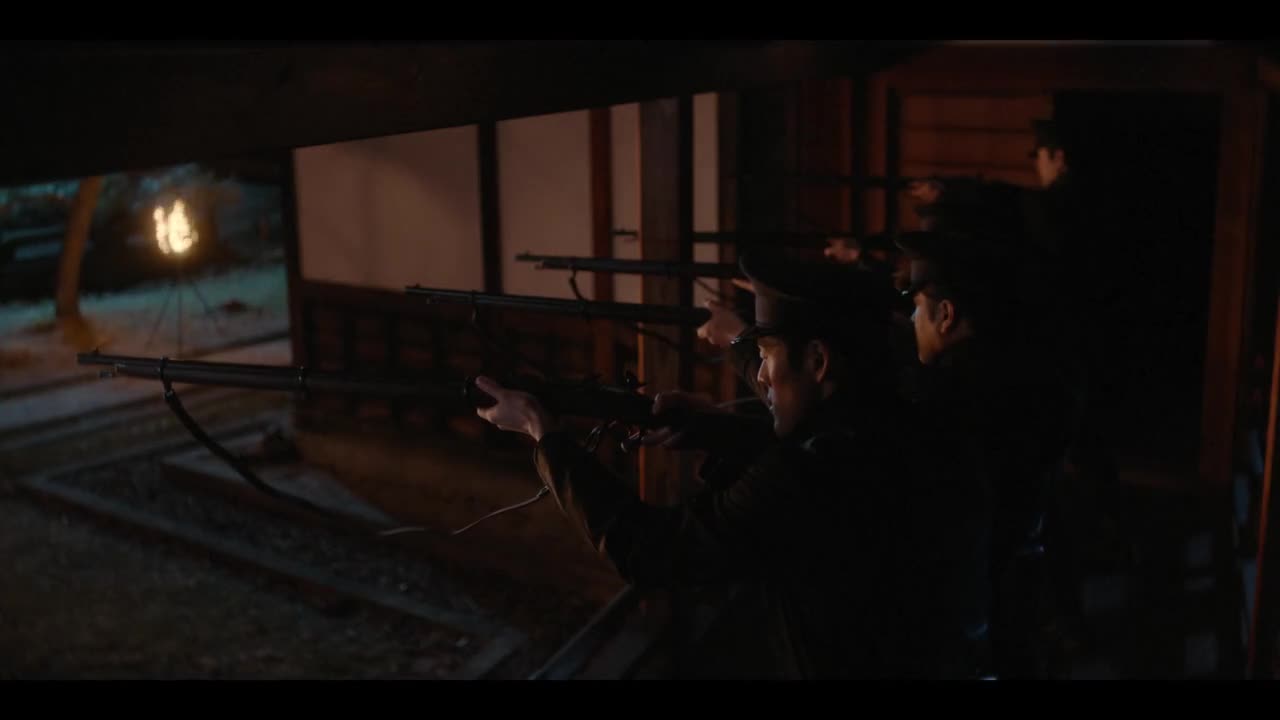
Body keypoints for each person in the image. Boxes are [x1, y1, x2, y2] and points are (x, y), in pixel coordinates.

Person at [471, 249, 970, 677]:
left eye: (767, 355)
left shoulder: (808, 473)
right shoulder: (904, 418)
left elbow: (651, 550)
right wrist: (713, 427)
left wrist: (545, 435)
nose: (763, 377)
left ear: (818, 362)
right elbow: (814, 454)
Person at [896, 229, 1072, 678]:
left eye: (917, 307)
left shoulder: (949, 399)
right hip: (1019, 592)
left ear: (946, 315)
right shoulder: (1024, 375)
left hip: (973, 615)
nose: (912, 319)